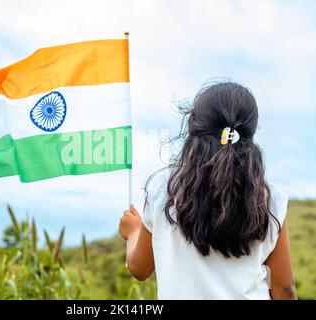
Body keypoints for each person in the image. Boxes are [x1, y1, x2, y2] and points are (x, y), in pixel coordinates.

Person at [119, 82, 297, 300]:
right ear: (249, 134)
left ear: (193, 128)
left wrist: (133, 231)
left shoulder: (163, 190)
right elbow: (284, 289)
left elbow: (140, 268)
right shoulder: (270, 201)